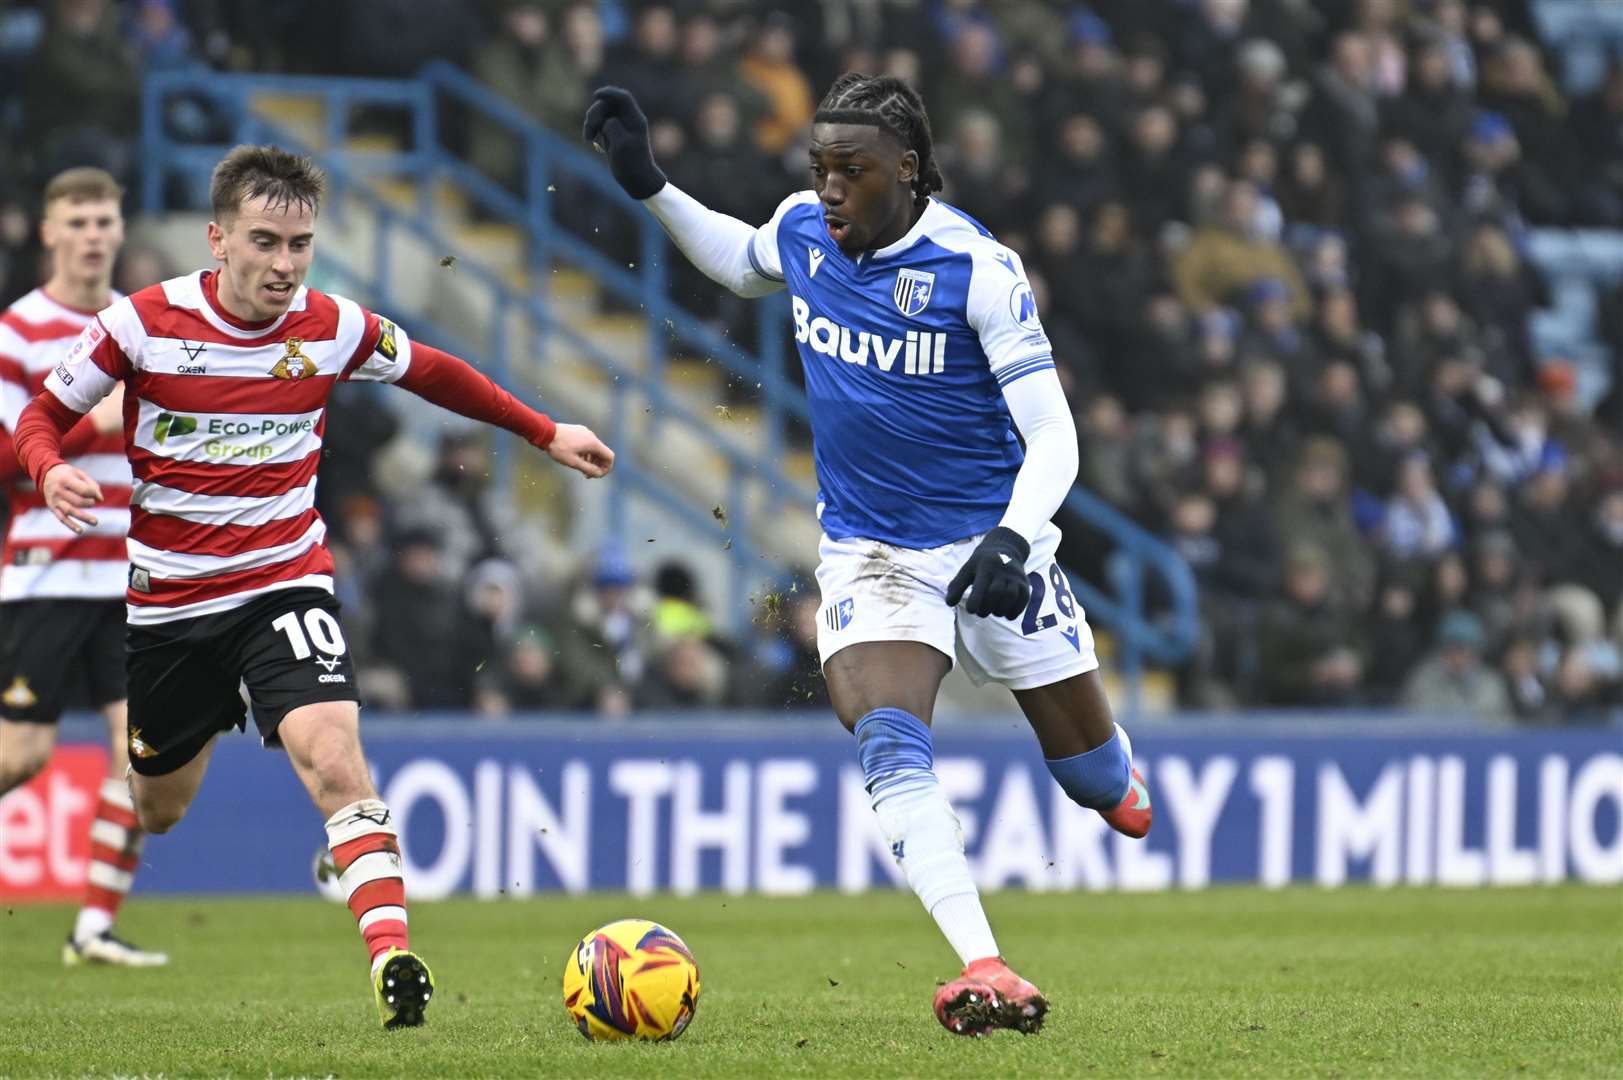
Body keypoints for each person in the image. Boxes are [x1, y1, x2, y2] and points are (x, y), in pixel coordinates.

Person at [584, 76, 1151, 1036]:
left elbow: (1053, 435)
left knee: (1101, 788)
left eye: (852, 170)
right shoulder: (805, 229)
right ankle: (984, 963)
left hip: (991, 546)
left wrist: (1016, 536)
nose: (831, 188)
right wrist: (650, 184)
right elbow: (738, 260)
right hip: (870, 551)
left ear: (909, 172)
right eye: (820, 169)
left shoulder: (977, 269)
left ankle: (1116, 774)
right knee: (887, 738)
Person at [11, 145, 614, 1027]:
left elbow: (435, 370)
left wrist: (541, 428)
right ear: (217, 239)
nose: (285, 266)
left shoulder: (332, 325)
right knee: (159, 806)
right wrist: (47, 466)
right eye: (265, 242)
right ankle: (340, 845)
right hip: (172, 607)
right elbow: (39, 415)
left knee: (335, 758)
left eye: (300, 245)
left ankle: (392, 960)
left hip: (283, 581)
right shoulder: (140, 325)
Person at [0, 167, 164, 967]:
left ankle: (93, 927)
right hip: (49, 572)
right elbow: (4, 453)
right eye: (80, 220)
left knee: (142, 754)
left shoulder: (137, 326)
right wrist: (92, 425)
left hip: (131, 575)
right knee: (22, 756)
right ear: (50, 232)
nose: (96, 234)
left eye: (107, 219)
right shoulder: (18, 331)